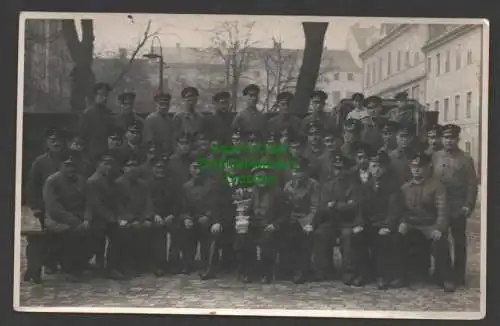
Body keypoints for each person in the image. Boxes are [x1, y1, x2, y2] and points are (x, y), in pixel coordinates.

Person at [396, 152, 455, 292]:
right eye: (413, 166)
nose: (416, 169)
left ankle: (445, 277)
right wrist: (402, 222)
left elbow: (442, 210)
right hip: (412, 224)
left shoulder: (437, 186)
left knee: (440, 243)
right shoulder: (405, 188)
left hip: (430, 225)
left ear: (428, 167)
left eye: (420, 166)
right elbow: (400, 210)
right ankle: (403, 275)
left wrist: (439, 228)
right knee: (397, 238)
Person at [432, 124, 478, 287]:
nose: (449, 141)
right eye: (446, 138)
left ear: (457, 139)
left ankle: (458, 275)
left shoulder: (466, 159)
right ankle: (441, 273)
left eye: (452, 138)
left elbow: (472, 185)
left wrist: (468, 205)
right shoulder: (435, 156)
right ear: (441, 139)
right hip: (439, 206)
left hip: (458, 205)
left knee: (459, 241)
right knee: (440, 239)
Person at [313, 154, 364, 285]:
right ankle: (322, 270)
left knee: (348, 237)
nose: (339, 172)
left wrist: (335, 205)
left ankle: (349, 273)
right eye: (336, 169)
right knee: (320, 233)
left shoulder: (354, 186)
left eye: (342, 169)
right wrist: (339, 205)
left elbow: (354, 206)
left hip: (347, 222)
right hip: (330, 221)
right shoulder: (327, 186)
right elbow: (322, 207)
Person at [42, 152, 91, 282]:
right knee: (73, 232)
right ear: (60, 165)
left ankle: (81, 262)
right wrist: (74, 221)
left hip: (78, 218)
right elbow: (54, 209)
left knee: (94, 229)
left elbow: (88, 202)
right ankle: (69, 268)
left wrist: (86, 218)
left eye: (74, 165)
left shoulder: (81, 180)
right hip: (56, 219)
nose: (71, 168)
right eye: (67, 165)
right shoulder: (52, 181)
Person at [26, 127, 67, 276]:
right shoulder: (40, 162)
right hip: (46, 207)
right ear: (47, 142)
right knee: (49, 234)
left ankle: (67, 261)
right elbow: (32, 187)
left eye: (59, 141)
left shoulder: (69, 160)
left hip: (67, 206)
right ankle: (48, 262)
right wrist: (36, 207)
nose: (56, 144)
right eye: (52, 141)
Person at [359, 150, 402, 289]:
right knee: (357, 236)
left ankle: (384, 276)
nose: (376, 170)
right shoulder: (366, 185)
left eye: (379, 166)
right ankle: (364, 273)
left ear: (385, 167)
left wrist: (388, 226)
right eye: (373, 166)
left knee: (384, 239)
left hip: (385, 223)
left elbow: (394, 209)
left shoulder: (393, 185)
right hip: (370, 222)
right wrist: (359, 223)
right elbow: (361, 208)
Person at [237, 163, 286, 283]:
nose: (261, 179)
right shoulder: (252, 192)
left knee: (266, 242)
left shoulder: (277, 193)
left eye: (264, 177)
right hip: (254, 225)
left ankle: (266, 273)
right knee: (243, 239)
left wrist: (275, 225)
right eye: (258, 177)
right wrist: (242, 219)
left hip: (270, 226)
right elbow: (247, 210)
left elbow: (284, 214)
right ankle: (248, 272)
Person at [85, 152, 128, 280]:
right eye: (105, 164)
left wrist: (120, 216)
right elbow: (95, 205)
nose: (109, 167)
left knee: (118, 236)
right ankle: (102, 267)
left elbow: (116, 201)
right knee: (102, 238)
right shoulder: (93, 181)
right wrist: (112, 218)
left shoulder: (111, 180)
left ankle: (112, 266)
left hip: (109, 217)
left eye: (111, 164)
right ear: (98, 164)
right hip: (96, 218)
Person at [179, 158, 221, 277]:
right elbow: (184, 207)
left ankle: (208, 267)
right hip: (193, 219)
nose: (197, 171)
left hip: (208, 219)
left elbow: (216, 205)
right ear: (190, 169)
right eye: (194, 167)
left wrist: (208, 216)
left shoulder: (212, 185)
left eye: (200, 167)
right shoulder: (186, 187)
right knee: (185, 230)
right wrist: (187, 218)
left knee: (207, 233)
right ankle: (188, 264)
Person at [115, 155, 154, 276]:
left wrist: (146, 218)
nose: (132, 168)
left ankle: (142, 263)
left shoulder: (143, 184)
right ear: (123, 168)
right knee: (125, 231)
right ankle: (125, 264)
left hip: (140, 218)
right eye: (129, 165)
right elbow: (117, 205)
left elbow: (148, 203)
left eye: (134, 165)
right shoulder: (118, 184)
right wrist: (130, 219)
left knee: (146, 228)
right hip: (124, 218)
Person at [282, 157, 319, 284]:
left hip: (306, 219)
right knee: (287, 237)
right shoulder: (288, 186)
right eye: (294, 171)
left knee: (304, 239)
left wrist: (309, 223)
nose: (297, 174)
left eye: (300, 171)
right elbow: (283, 205)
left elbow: (315, 207)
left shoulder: (313, 185)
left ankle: (302, 270)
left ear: (306, 171)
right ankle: (290, 268)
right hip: (291, 219)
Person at [148, 156, 182, 276]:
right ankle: (158, 264)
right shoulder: (147, 184)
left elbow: (177, 201)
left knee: (177, 229)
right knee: (157, 234)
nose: (160, 170)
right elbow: (146, 203)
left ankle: (173, 263)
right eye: (157, 167)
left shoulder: (172, 183)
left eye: (162, 167)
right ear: (152, 168)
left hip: (170, 216)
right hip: (154, 216)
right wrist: (154, 215)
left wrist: (172, 214)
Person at [77, 82, 116, 164]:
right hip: (91, 155)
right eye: (101, 95)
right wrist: (84, 157)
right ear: (95, 95)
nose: (104, 98)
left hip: (107, 154)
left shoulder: (109, 113)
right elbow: (81, 137)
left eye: (106, 95)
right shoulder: (88, 114)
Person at [389, 122, 417, 187]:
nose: (404, 139)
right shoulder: (390, 157)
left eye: (407, 136)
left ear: (411, 138)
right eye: (401, 136)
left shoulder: (415, 156)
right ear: (396, 137)